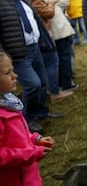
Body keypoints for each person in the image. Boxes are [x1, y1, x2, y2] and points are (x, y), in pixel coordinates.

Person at [0, 0, 63, 134]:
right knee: (32, 85)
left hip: (35, 47)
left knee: (42, 83)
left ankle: (41, 111)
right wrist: (4, 56)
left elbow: (33, 20)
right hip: (17, 53)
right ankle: (28, 118)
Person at [17, 0, 74, 102]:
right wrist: (52, 3)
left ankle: (50, 92)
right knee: (52, 61)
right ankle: (54, 92)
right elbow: (48, 13)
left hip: (38, 33)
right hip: (42, 32)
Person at [0, 52, 55, 186]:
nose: (15, 76)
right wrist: (32, 152)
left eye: (13, 70)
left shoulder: (10, 104)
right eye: (8, 73)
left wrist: (35, 139)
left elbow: (18, 137)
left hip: (29, 177)